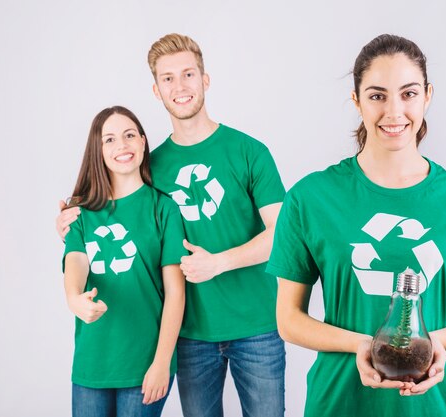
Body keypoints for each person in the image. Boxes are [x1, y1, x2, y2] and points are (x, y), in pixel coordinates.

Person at [266, 34, 446, 417]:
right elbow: (289, 320)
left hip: (435, 406)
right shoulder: (310, 197)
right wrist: (363, 345)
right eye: (378, 96)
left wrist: (430, 343)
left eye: (408, 94)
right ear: (357, 101)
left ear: (427, 95)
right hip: (341, 402)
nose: (394, 112)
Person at [58, 34, 286, 417]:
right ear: (156, 89)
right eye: (168, 78)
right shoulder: (150, 168)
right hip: (189, 335)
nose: (179, 87)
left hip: (257, 326)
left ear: (205, 79)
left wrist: (220, 262)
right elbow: (118, 217)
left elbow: (282, 233)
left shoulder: (249, 151)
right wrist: (71, 224)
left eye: (188, 74)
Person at [62, 106, 186, 417]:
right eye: (110, 139)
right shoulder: (80, 210)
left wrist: (161, 362)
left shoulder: (164, 209)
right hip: (93, 363)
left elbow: (175, 292)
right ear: (98, 151)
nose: (122, 146)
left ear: (144, 142)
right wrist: (74, 298)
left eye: (130, 135)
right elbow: (75, 260)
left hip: (144, 364)